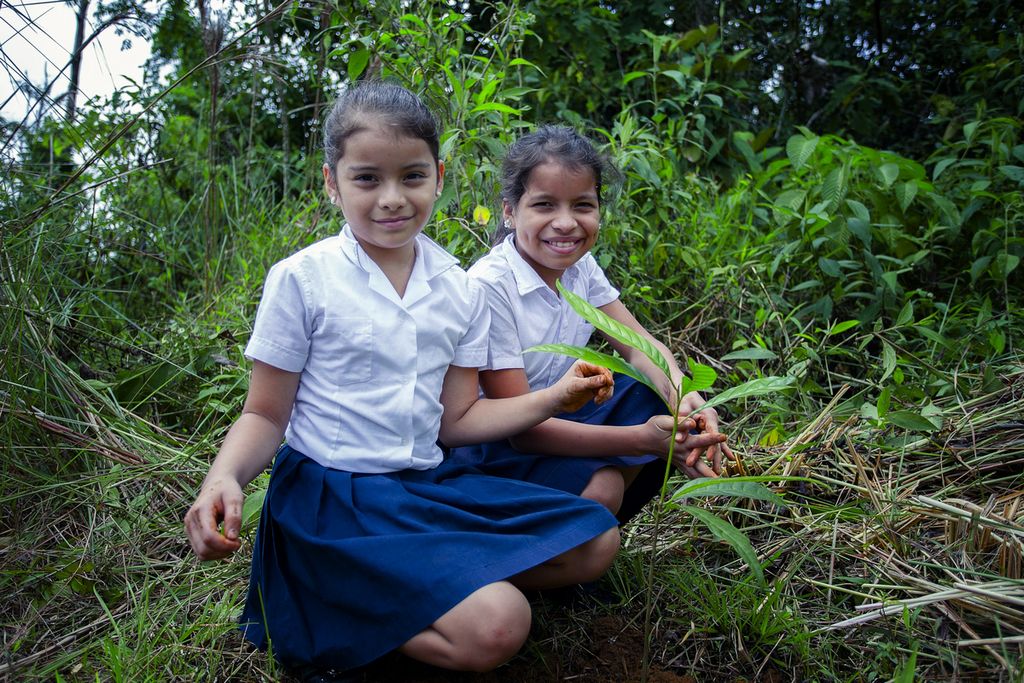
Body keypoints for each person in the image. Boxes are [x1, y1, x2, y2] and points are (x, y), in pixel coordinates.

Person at [183, 83, 624, 678]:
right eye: (367, 179)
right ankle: (323, 593)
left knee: (594, 540)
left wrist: (553, 398)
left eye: (412, 176)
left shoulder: (457, 288)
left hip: (424, 485)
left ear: (438, 176)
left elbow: (459, 421)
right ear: (331, 182)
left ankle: (413, 583)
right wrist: (223, 478)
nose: (392, 199)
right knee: (499, 625)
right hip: (331, 499)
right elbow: (265, 415)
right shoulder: (303, 280)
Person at [450, 125, 733, 524]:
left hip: (557, 417)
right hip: (496, 446)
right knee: (603, 490)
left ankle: (586, 534)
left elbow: (638, 347)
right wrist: (643, 441)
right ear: (510, 211)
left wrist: (686, 400)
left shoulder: (579, 267)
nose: (565, 223)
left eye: (582, 205)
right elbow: (521, 432)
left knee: (652, 391)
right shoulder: (491, 286)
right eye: (545, 205)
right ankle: (562, 553)